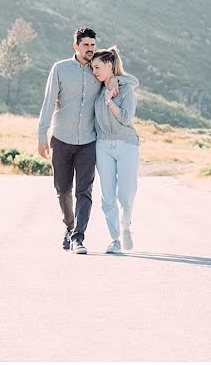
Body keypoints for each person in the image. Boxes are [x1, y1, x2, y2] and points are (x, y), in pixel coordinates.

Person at [38, 27, 138, 254]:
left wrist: (115, 83)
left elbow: (130, 80)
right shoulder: (60, 69)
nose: (90, 49)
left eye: (93, 45)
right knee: (63, 189)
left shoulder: (99, 73)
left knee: (85, 191)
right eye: (86, 45)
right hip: (61, 138)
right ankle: (69, 227)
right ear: (76, 46)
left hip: (88, 142)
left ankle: (78, 237)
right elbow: (48, 102)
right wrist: (41, 136)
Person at [89, 46, 140, 254]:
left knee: (126, 194)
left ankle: (126, 225)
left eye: (98, 67)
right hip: (102, 145)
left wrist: (110, 101)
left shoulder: (126, 89)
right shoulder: (97, 90)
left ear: (110, 65)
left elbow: (126, 118)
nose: (95, 72)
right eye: (92, 68)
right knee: (107, 196)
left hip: (127, 144)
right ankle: (115, 239)